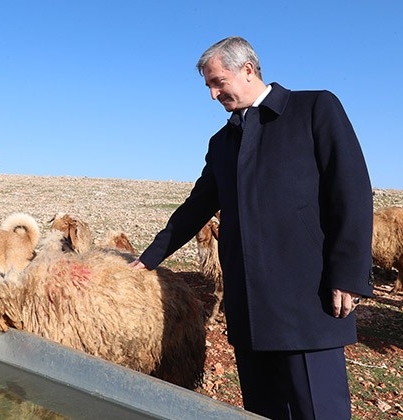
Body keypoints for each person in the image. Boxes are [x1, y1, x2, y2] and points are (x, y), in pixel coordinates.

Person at [131, 36, 373, 419]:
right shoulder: (222, 141)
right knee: (263, 411)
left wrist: (348, 274)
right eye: (208, 86)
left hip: (307, 301)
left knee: (319, 411)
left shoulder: (314, 108)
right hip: (249, 307)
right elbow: (197, 205)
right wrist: (149, 257)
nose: (212, 95)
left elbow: (352, 191)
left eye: (217, 82)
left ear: (247, 70)